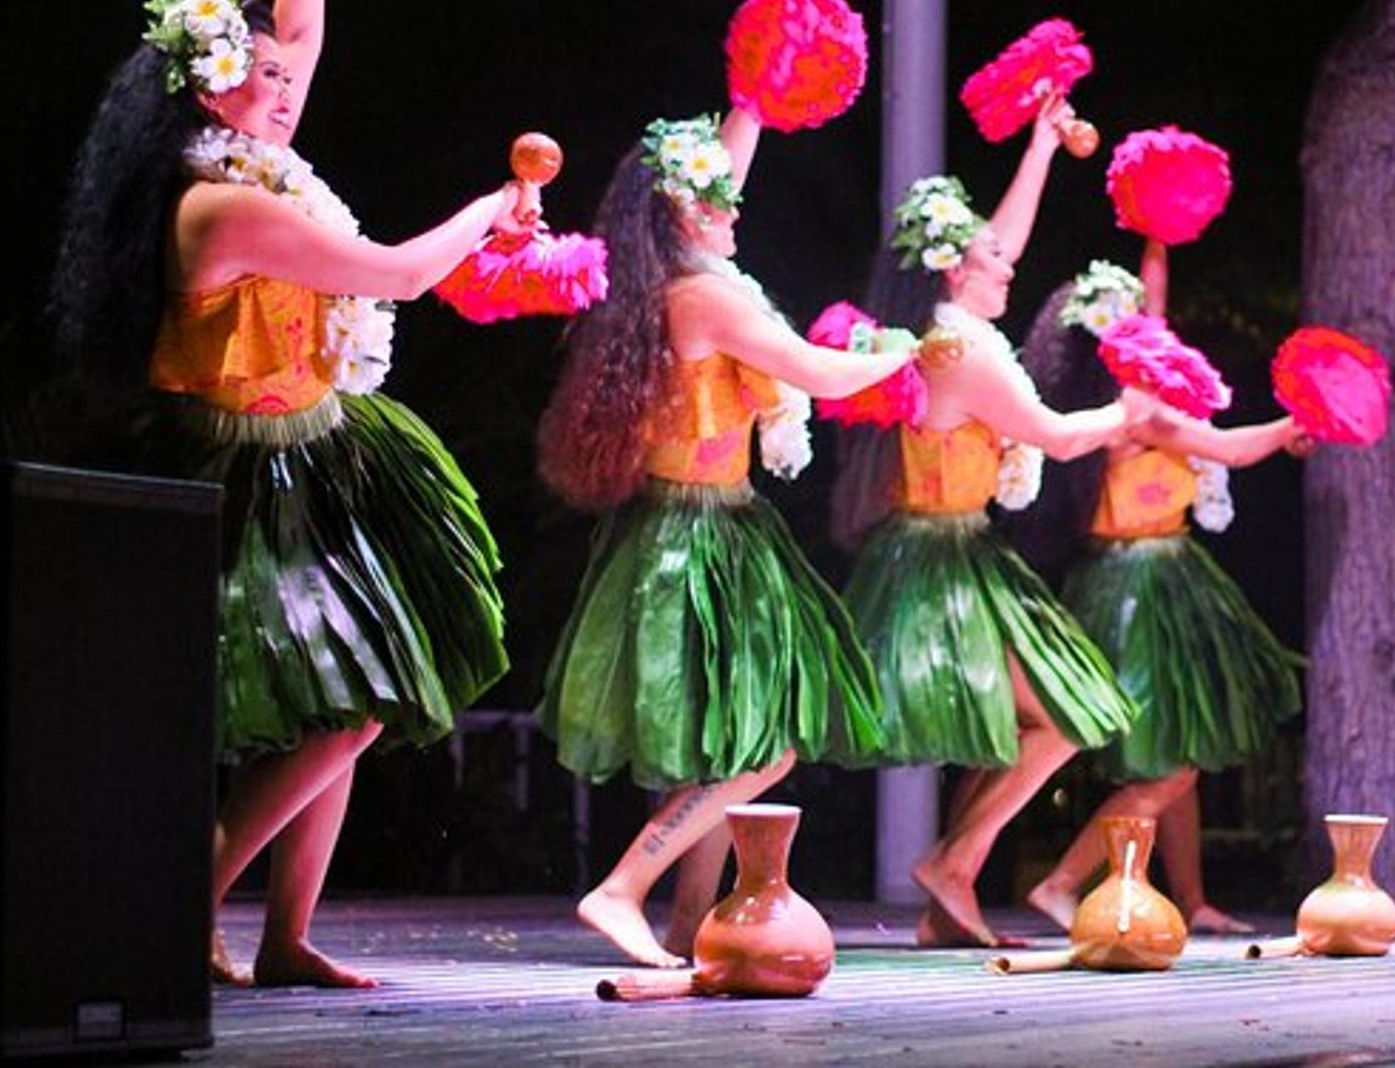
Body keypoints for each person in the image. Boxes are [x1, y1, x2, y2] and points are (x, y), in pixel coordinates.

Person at [49, 0, 534, 988]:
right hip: (243, 478)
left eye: (283, 77)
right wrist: (493, 210)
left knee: (344, 700)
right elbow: (398, 275)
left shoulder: (252, 160)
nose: (284, 91)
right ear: (208, 88)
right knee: (348, 707)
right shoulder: (222, 205)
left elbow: (302, 36)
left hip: (315, 453)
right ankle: (181, 901)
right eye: (260, 76)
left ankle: (285, 936)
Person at [537, 107, 916, 970]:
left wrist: (753, 100)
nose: (735, 211)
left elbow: (719, 180)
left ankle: (685, 927)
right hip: (696, 537)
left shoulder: (669, 286)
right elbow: (818, 373)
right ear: (681, 214)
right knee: (763, 745)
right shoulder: (705, 296)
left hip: (698, 523)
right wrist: (903, 353)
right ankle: (623, 886)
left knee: (715, 743)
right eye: (717, 202)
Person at [831, 93, 1141, 949]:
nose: (1009, 268)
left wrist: (1041, 147)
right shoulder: (963, 352)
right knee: (1064, 716)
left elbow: (1003, 240)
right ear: (952, 272)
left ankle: (950, 883)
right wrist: (1131, 411)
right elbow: (1056, 436)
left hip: (956, 547)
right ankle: (955, 863)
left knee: (1034, 720)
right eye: (989, 261)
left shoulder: (953, 325)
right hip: (940, 563)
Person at [1009, 242, 1311, 934]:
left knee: (1183, 752)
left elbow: (1157, 309)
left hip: (1154, 578)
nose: (1151, 333)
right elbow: (1231, 448)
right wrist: (1295, 424)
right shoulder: (1136, 414)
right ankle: (1061, 882)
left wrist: (1157, 233)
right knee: (1171, 764)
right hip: (1135, 594)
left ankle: (1192, 899)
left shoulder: (1110, 401)